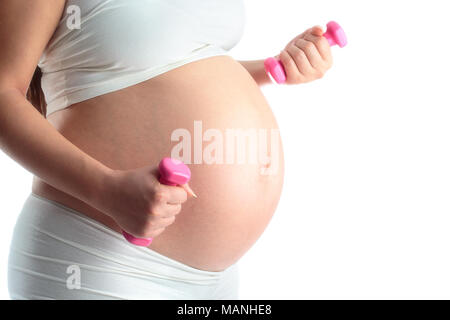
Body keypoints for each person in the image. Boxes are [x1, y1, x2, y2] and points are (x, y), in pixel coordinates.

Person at [2, 0, 333, 299]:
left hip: (217, 278)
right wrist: (106, 191)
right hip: (99, 260)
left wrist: (275, 67)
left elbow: (173, 63)